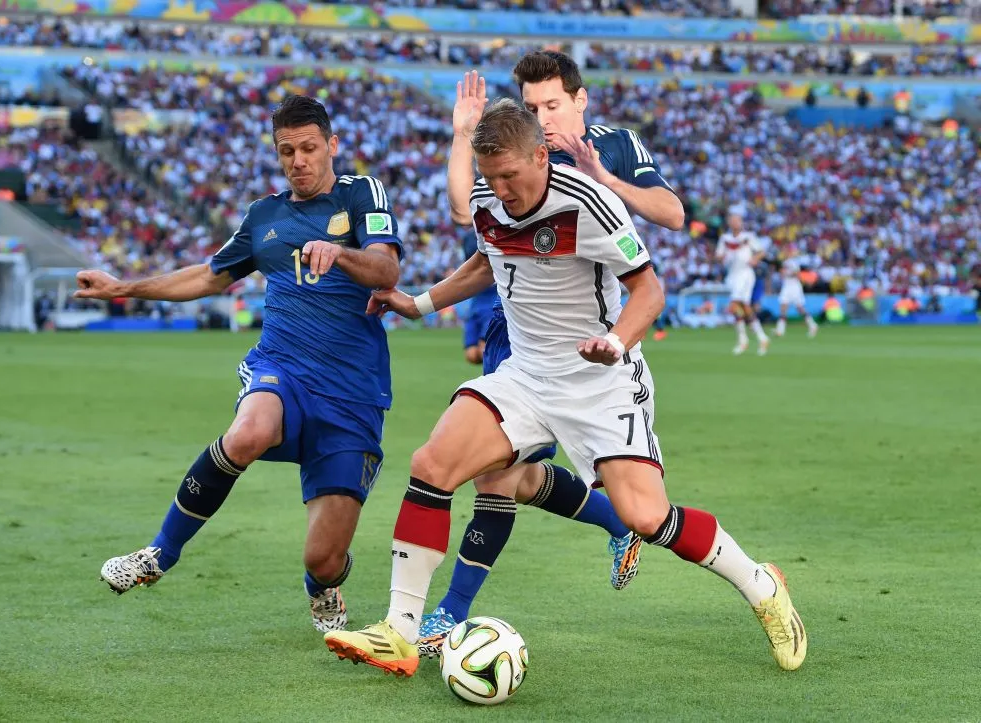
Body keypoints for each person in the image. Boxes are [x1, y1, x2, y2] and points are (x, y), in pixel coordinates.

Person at [324, 99, 807, 677]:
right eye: (490, 177)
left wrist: (618, 342)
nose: (501, 189)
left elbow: (649, 294)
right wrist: (420, 302)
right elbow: (485, 260)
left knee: (646, 517)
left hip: (600, 381)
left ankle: (762, 586)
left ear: (540, 156)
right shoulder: (487, 201)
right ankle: (399, 635)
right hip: (526, 376)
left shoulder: (590, 204)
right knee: (432, 463)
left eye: (510, 175)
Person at [73, 95, 403, 633]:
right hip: (283, 369)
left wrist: (339, 251)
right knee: (249, 431)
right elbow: (208, 276)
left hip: (353, 394)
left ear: (333, 146)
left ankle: (323, 588)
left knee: (323, 558)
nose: (298, 160)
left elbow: (386, 270)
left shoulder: (362, 194)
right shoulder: (264, 216)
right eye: (286, 150)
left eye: (309, 148)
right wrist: (123, 288)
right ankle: (159, 554)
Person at [416, 53, 686, 657]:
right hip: (514, 324)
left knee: (501, 476)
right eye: (532, 106)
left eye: (552, 105)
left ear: (580, 100)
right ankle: (612, 523)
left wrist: (601, 175)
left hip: (583, 337)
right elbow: (465, 212)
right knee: (505, 473)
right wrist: (463, 135)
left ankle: (448, 614)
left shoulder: (611, 145)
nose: (542, 116)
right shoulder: (511, 148)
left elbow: (672, 214)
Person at [716, 212, 770, 356]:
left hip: (745, 274)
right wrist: (722, 257)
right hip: (732, 275)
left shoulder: (748, 237)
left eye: (737, 221)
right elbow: (719, 255)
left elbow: (761, 252)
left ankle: (743, 339)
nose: (735, 223)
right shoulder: (725, 238)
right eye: (732, 221)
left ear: (741, 223)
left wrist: (754, 259)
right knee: (744, 307)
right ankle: (760, 337)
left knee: (734, 304)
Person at [459, 227, 498, 365]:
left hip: (495, 295)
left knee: (485, 348)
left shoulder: (495, 228)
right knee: (472, 355)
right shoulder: (468, 237)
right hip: (477, 296)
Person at [776, 256, 819, 337]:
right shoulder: (785, 262)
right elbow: (782, 274)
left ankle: (812, 325)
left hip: (794, 287)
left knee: (799, 308)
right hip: (787, 286)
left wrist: (786, 273)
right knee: (783, 307)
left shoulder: (793, 262)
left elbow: (796, 273)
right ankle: (780, 330)